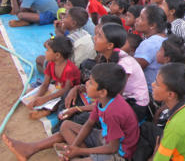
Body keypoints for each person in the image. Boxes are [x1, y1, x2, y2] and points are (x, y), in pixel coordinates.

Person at [3, 63, 140, 161]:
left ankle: (84, 157)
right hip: (105, 139)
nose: (86, 83)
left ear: (102, 92)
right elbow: (89, 124)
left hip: (119, 154)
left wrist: (80, 150)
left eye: (91, 83)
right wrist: (73, 148)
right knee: (66, 126)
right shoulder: (102, 100)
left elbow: (112, 148)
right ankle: (30, 148)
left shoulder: (113, 112)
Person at [26, 36, 80, 119]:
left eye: (47, 50)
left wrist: (45, 99)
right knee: (29, 92)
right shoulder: (51, 63)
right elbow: (45, 84)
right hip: (57, 87)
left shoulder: (69, 69)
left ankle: (46, 111)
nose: (45, 53)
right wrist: (36, 98)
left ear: (57, 55)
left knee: (58, 104)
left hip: (68, 92)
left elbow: (66, 89)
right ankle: (41, 105)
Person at [134, 5, 168, 92]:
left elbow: (133, 69)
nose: (137, 20)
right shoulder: (163, 38)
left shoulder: (150, 44)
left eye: (141, 18)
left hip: (150, 93)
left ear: (152, 25)